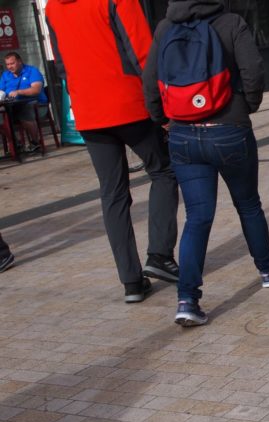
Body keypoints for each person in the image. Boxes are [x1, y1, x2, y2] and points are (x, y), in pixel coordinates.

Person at [143, 0, 269, 327]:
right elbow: (254, 71)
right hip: (229, 129)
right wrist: (244, 107)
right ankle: (268, 268)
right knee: (248, 204)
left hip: (182, 134)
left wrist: (163, 120)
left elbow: (150, 81)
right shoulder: (231, 22)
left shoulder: (165, 27)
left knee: (197, 216)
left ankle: (188, 299)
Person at [45, 0, 180, 303]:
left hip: (89, 112)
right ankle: (159, 254)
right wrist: (163, 106)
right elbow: (143, 54)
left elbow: (62, 64)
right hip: (129, 104)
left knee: (113, 192)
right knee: (163, 171)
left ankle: (131, 281)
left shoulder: (53, 7)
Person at [0, 52, 48, 153]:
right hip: (12, 106)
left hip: (36, 104)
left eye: (12, 63)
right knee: (1, 117)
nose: (9, 67)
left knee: (26, 110)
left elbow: (36, 90)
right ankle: (15, 144)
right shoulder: (5, 75)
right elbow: (1, 92)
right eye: (7, 64)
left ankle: (35, 142)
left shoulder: (32, 71)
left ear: (20, 61)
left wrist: (19, 92)